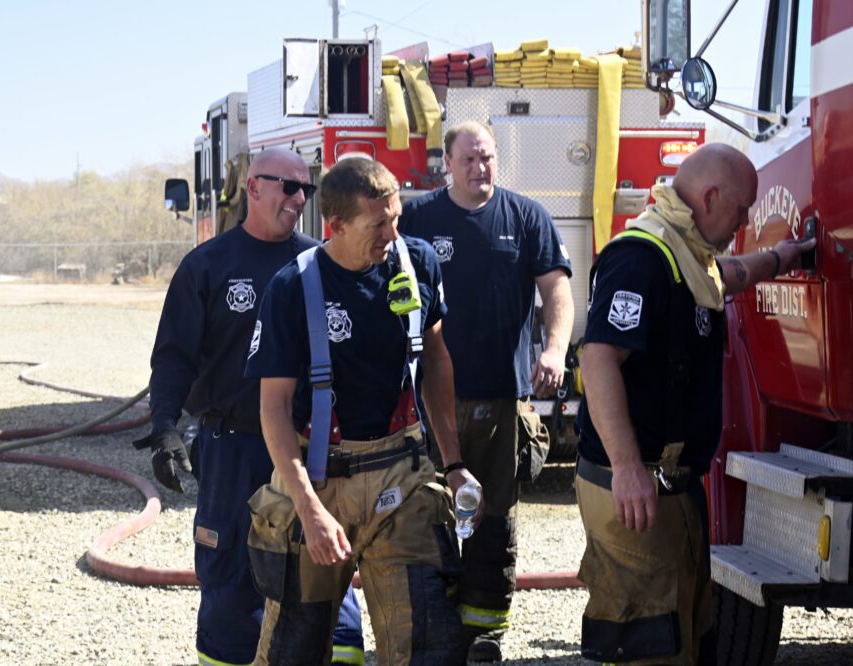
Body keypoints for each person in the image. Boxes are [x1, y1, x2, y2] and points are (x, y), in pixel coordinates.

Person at [574, 142, 816, 665]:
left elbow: (726, 275)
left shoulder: (686, 254)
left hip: (669, 489)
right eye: (741, 209)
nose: (745, 221)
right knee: (649, 646)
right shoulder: (640, 258)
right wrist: (627, 468)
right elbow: (598, 360)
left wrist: (782, 258)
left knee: (685, 639)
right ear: (709, 198)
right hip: (635, 490)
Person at [134, 148, 363, 666]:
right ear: (253, 188)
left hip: (311, 450)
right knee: (232, 585)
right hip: (233, 449)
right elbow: (173, 358)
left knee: (327, 572)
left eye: (306, 188)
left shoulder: (321, 264)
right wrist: (165, 426)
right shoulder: (207, 266)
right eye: (288, 186)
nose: (299, 198)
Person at [245, 157, 477, 665]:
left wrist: (454, 464)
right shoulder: (291, 287)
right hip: (319, 477)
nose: (393, 234)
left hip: (402, 475)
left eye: (396, 219)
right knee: (293, 650)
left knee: (429, 647)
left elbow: (437, 361)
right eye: (378, 224)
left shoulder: (417, 264)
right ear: (336, 225)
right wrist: (308, 510)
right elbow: (274, 409)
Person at [398, 120, 574, 661]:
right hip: (431, 404)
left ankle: (485, 636)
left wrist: (554, 349)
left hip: (501, 402)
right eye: (469, 159)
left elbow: (557, 290)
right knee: (429, 516)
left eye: (488, 157)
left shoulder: (526, 217)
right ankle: (436, 632)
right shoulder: (418, 219)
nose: (480, 167)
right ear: (447, 164)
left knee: (493, 520)